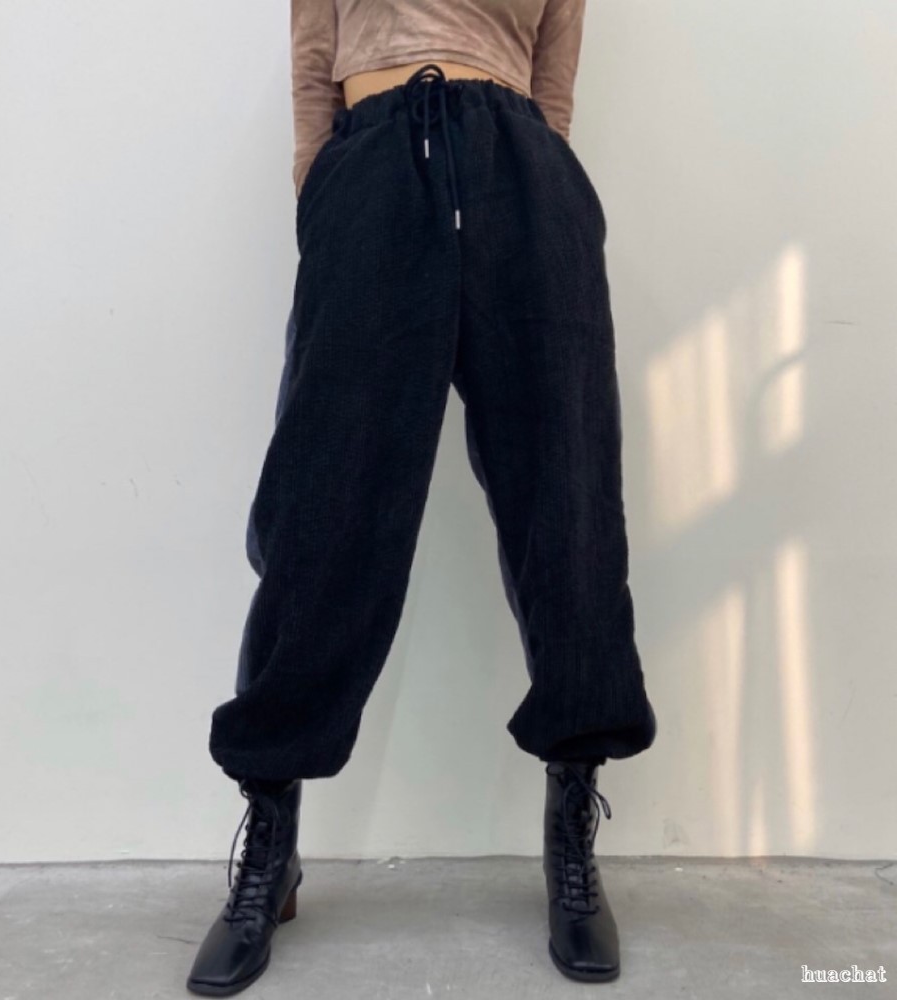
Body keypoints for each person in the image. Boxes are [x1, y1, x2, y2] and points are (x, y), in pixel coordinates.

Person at [187, 0, 659, 994]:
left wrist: (529, 175)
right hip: (372, 167)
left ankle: (571, 829)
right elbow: (312, 63)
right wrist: (325, 188)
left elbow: (553, 83)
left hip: (522, 174)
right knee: (324, 505)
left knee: (567, 497)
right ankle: (271, 837)